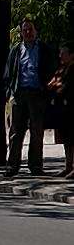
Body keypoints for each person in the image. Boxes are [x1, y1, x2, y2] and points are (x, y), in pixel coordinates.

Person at [3, 18, 56, 177]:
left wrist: (47, 91)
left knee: (37, 130)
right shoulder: (16, 50)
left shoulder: (44, 49)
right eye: (25, 30)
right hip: (20, 93)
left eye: (30, 29)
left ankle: (35, 166)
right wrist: (9, 93)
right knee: (15, 132)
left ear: (35, 31)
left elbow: (51, 69)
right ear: (20, 33)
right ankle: (12, 166)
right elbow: (8, 73)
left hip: (37, 93)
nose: (28, 32)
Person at [46, 43, 74, 179]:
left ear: (71, 55)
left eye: (63, 53)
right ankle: (68, 166)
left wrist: (57, 85)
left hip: (70, 107)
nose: (60, 56)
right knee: (66, 139)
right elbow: (52, 83)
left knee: (72, 139)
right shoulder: (61, 68)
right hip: (61, 108)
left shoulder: (72, 69)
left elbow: (65, 86)